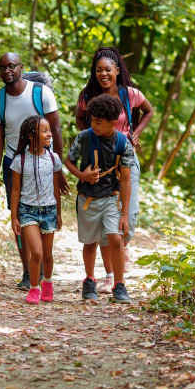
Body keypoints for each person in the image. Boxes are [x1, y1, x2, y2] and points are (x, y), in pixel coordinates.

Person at [75, 47, 153, 290]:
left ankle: (120, 249)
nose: (103, 74)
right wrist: (89, 138)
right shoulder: (87, 95)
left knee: (128, 217)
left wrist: (135, 133)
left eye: (108, 69)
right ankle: (111, 275)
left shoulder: (130, 94)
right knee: (104, 217)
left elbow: (149, 111)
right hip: (99, 161)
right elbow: (79, 119)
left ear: (117, 70)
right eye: (99, 70)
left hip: (125, 159)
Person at [0, 52, 64, 289]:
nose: (7, 71)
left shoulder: (41, 94)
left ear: (21, 67)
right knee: (20, 217)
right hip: (15, 163)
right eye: (3, 67)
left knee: (44, 212)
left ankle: (41, 263)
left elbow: (56, 130)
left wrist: (59, 169)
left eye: (12, 66)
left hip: (44, 161)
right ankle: (27, 271)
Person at [64, 94, 136, 304]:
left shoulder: (123, 143)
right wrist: (82, 175)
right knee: (90, 242)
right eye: (92, 120)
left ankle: (119, 285)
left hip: (111, 198)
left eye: (98, 122)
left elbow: (126, 180)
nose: (94, 125)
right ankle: (89, 280)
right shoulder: (84, 138)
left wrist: (124, 213)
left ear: (112, 122)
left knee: (115, 238)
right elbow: (68, 161)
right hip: (88, 199)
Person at [10, 115, 64, 304]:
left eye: (50, 130)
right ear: (32, 135)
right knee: (37, 253)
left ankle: (47, 282)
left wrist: (58, 213)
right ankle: (34, 287)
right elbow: (15, 190)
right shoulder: (20, 160)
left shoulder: (53, 158)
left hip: (49, 210)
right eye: (44, 131)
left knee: (47, 255)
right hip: (27, 211)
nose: (50, 134)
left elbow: (56, 187)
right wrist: (14, 217)